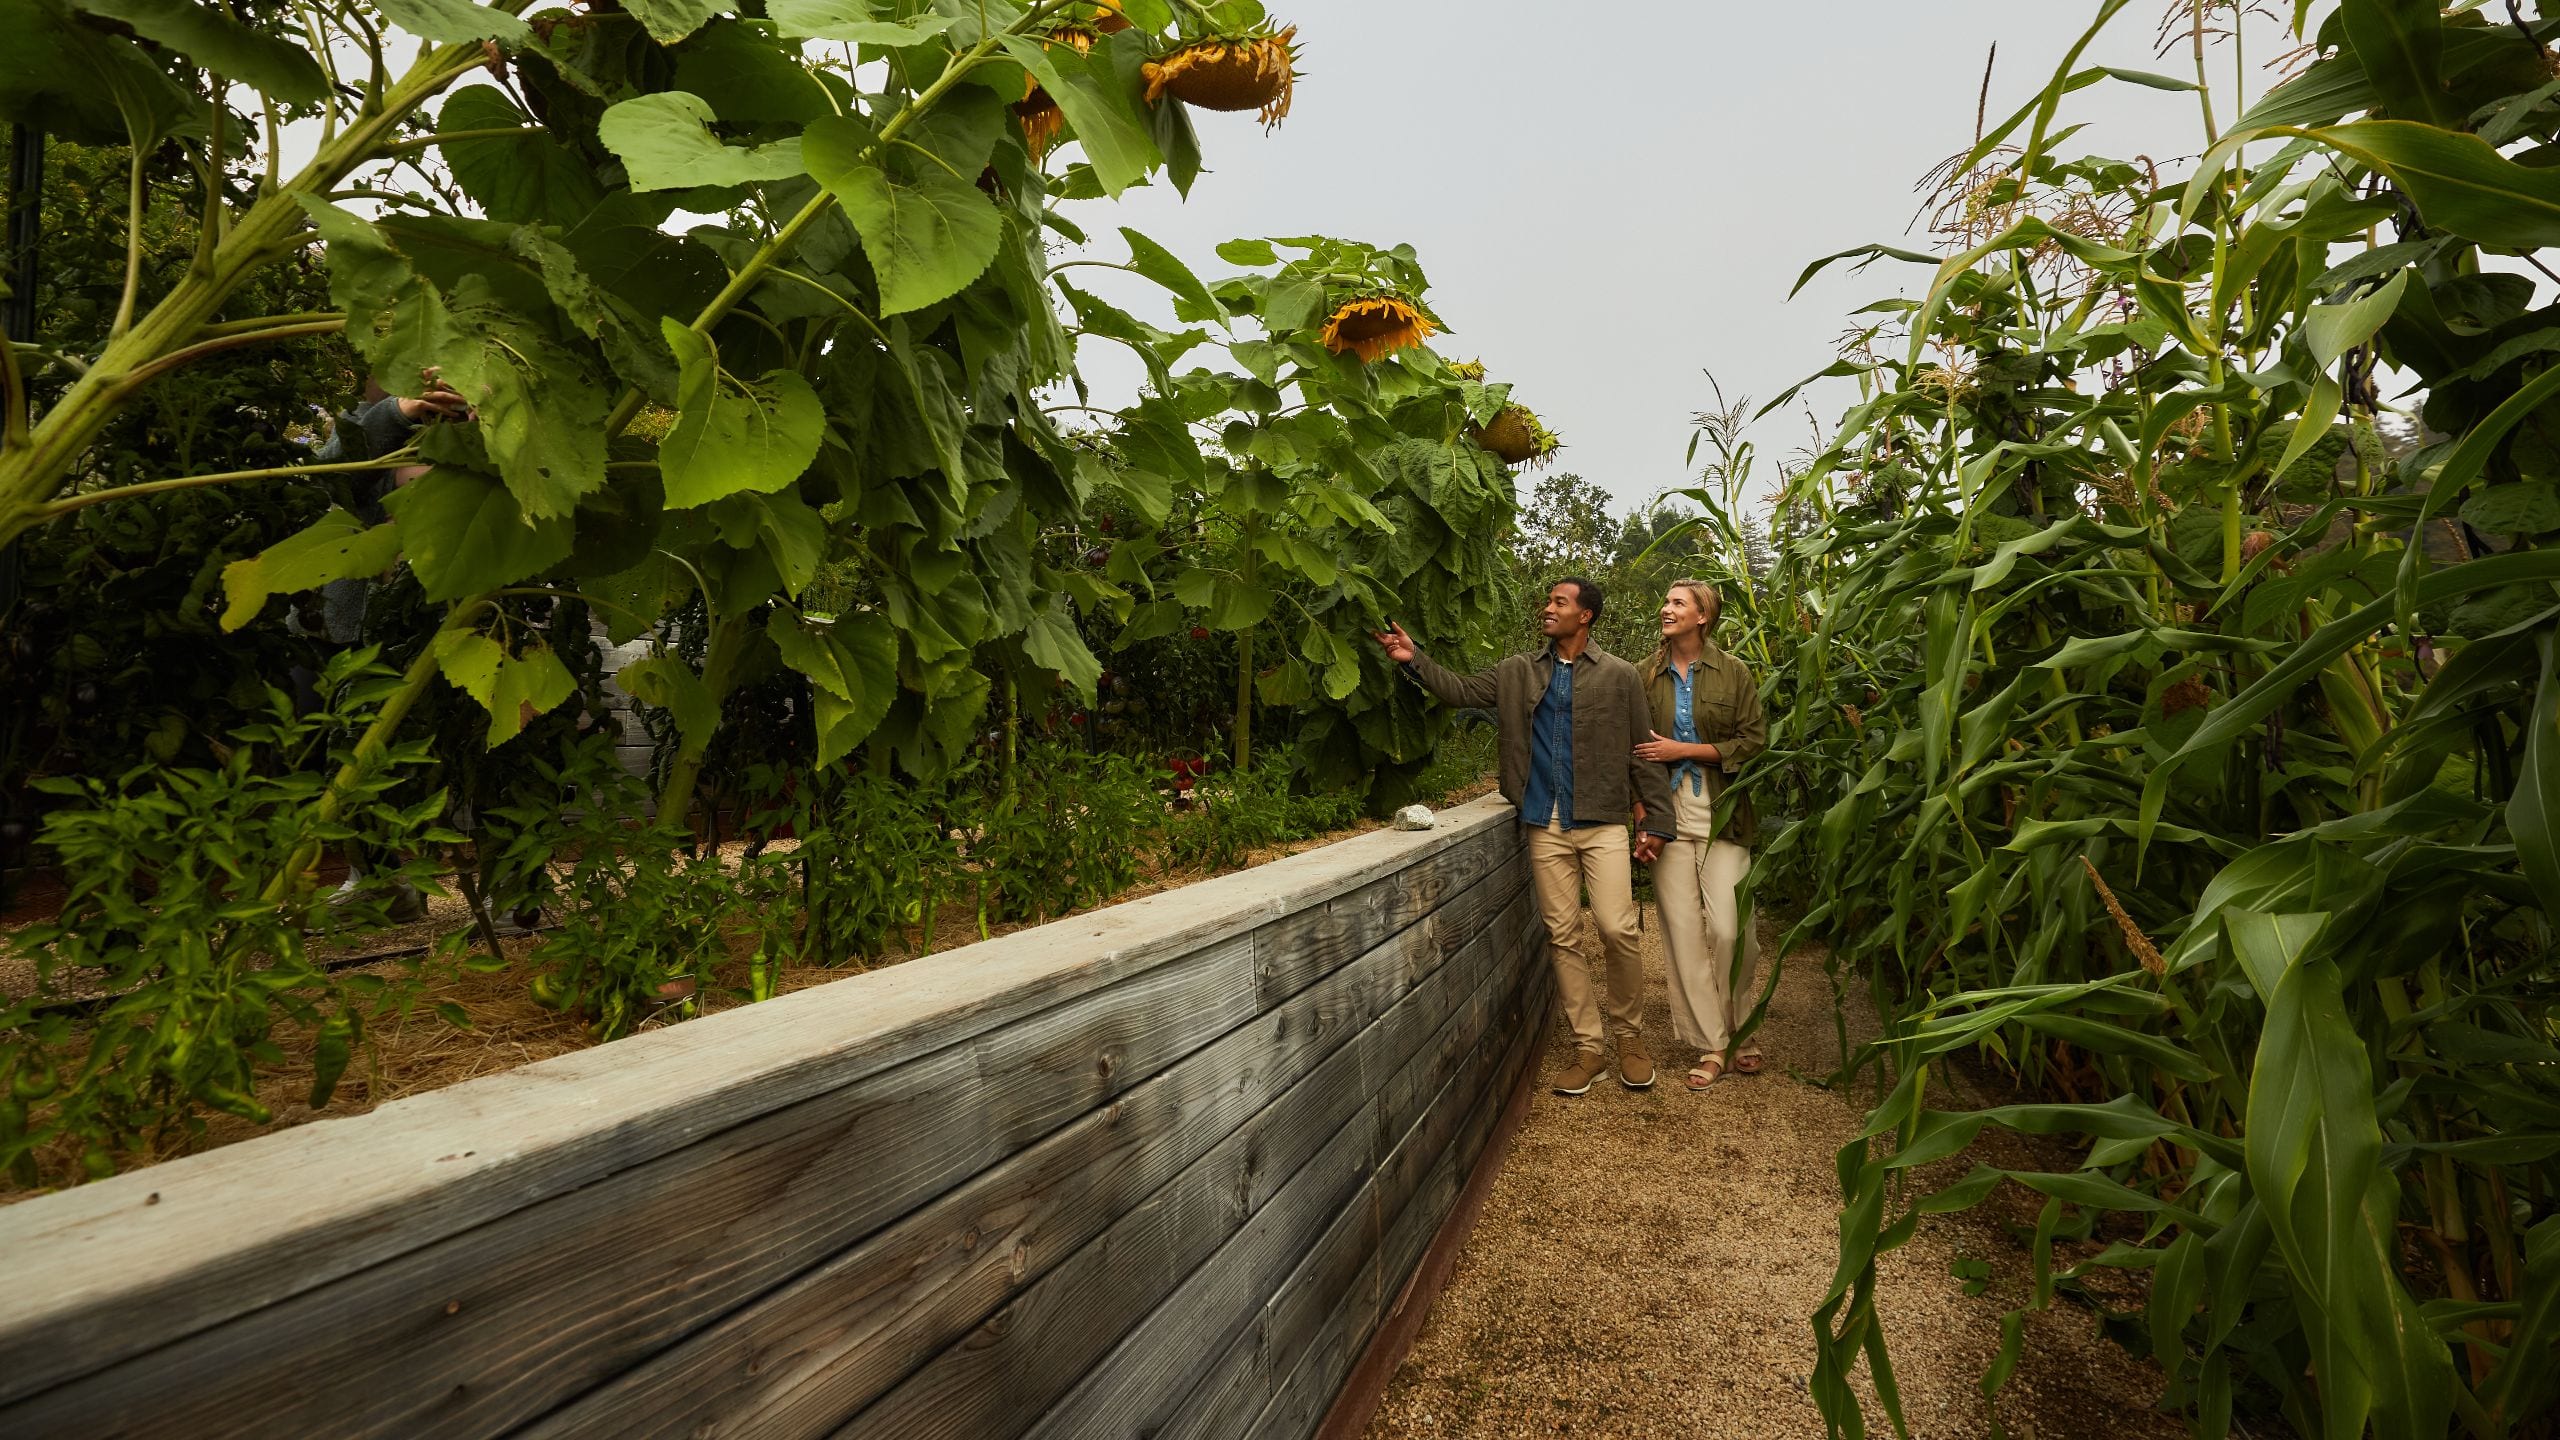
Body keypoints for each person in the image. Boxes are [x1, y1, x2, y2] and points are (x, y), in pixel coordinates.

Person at [1376, 580, 1675, 1096]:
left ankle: (1630, 1037)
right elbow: (1463, 691)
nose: (1548, 608)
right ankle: (1589, 1047)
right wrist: (1413, 659)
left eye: (1559, 602)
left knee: (1617, 928)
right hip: (1544, 820)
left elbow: (1640, 749)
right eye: (1549, 601)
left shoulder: (1621, 676)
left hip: (1601, 819)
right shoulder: (1519, 671)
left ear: (1585, 616)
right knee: (1563, 936)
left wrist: (1655, 820)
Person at [1631, 579, 1768, 1090]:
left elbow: (1754, 742)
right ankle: (1713, 1044)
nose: (1665, 609)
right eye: (1665, 601)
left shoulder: (1733, 673)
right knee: (1684, 934)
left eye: (1677, 603)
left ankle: (1740, 1027)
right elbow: (1632, 752)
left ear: (1703, 615)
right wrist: (1642, 817)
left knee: (1733, 931)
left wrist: (1683, 750)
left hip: (1723, 811)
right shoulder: (1644, 675)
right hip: (1665, 815)